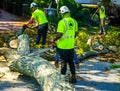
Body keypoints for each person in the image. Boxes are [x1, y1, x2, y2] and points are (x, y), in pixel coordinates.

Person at [52, 6, 78, 83]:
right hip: (71, 46)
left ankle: (62, 79)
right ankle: (73, 77)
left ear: (62, 13)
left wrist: (54, 39)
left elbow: (59, 34)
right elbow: (76, 33)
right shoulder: (74, 21)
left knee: (63, 63)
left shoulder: (62, 22)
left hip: (62, 47)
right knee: (71, 62)